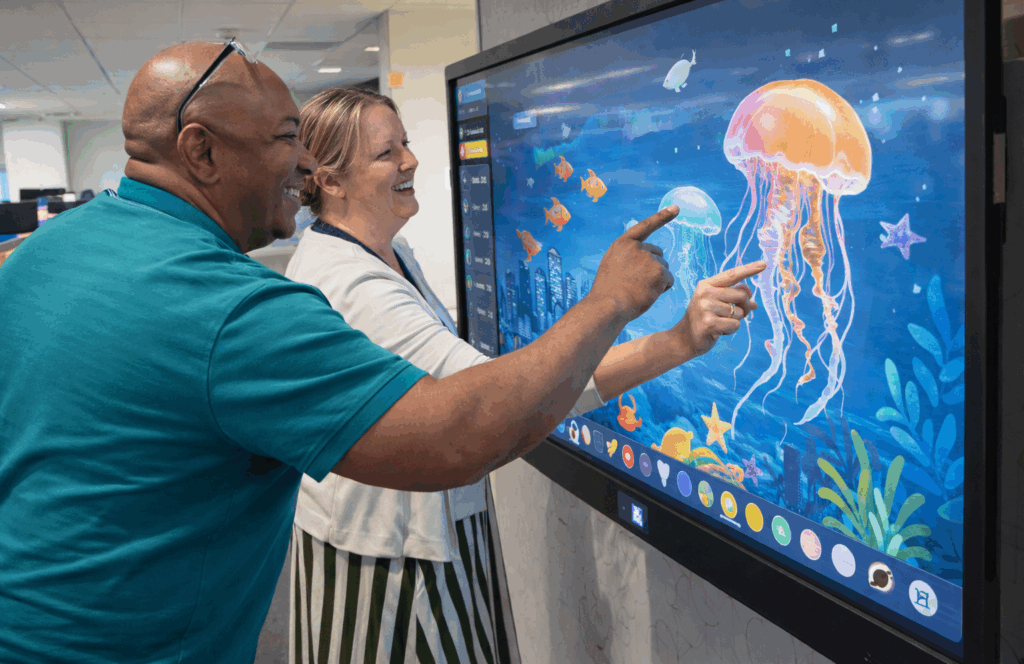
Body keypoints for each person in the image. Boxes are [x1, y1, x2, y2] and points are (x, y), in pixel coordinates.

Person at [0, 43, 759, 664]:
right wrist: (613, 306)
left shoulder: (42, 250)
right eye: (283, 143)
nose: (295, 171)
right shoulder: (237, 309)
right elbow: (469, 427)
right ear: (199, 150)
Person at [286, 88, 765, 664]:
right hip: (389, 564)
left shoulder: (391, 253)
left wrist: (680, 340)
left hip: (420, 536)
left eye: (407, 142)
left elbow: (523, 385)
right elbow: (500, 402)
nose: (411, 160)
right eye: (387, 153)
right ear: (331, 181)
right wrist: (610, 302)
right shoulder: (351, 286)